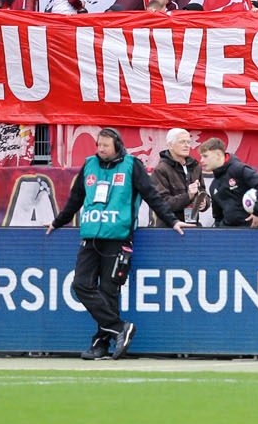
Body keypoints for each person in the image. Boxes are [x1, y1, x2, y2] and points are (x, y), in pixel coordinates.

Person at [45, 129, 192, 360]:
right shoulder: (90, 165)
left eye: (105, 145)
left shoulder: (132, 165)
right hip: (91, 235)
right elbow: (76, 198)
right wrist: (57, 221)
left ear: (117, 146)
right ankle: (119, 327)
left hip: (119, 237)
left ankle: (101, 344)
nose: (101, 149)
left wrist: (173, 221)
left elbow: (152, 196)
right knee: (81, 285)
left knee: (109, 292)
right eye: (99, 145)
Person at [199, 137, 258, 228]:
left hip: (253, 231)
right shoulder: (213, 186)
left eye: (205, 156)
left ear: (218, 154)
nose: (201, 160)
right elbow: (217, 217)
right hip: (230, 237)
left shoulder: (238, 169)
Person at [149, 127, 205, 224]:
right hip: (170, 228)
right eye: (182, 142)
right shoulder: (161, 170)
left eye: (188, 142)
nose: (187, 145)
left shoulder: (195, 167)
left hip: (193, 226)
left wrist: (204, 202)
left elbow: (203, 191)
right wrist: (188, 196)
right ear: (170, 145)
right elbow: (162, 203)